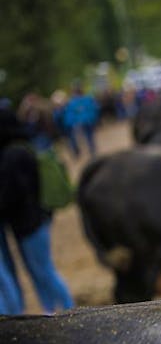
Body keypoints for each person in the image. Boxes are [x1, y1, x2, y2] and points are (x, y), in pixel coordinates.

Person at [0, 107, 74, 315]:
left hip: (29, 224)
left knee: (44, 272)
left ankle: (68, 309)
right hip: (34, 221)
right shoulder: (24, 146)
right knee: (40, 272)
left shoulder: (12, 155)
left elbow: (12, 195)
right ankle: (49, 311)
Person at [59, 84, 99, 159]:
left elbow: (71, 114)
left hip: (80, 123)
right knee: (89, 136)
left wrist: (74, 123)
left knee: (83, 137)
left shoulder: (72, 102)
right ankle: (92, 151)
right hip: (88, 121)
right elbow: (94, 109)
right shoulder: (88, 99)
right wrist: (94, 119)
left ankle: (85, 152)